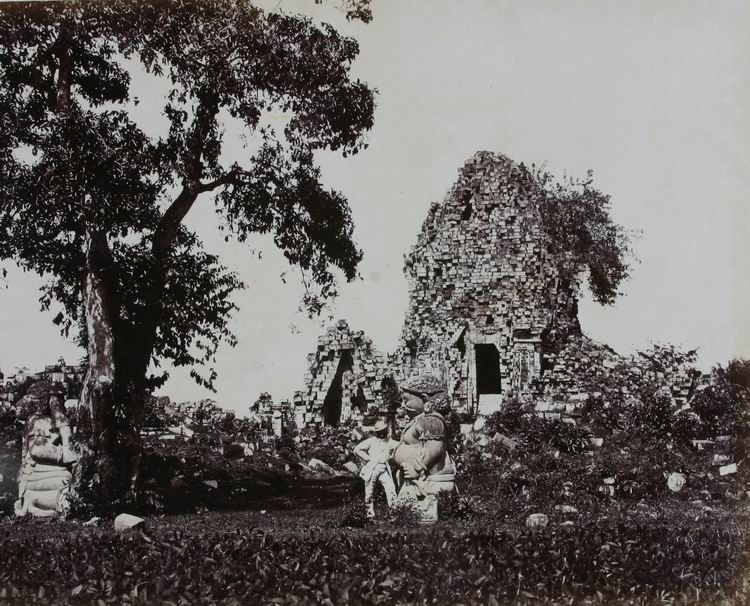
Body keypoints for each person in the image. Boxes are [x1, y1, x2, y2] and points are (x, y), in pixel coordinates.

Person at [392, 374, 456, 522]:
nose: (403, 404)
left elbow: (434, 448)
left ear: (425, 399)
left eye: (406, 400)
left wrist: (418, 468)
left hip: (428, 478)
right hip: (415, 479)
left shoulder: (431, 421)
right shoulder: (420, 420)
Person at [353, 421, 398, 519]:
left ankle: (393, 513)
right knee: (369, 490)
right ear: (377, 432)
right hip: (372, 468)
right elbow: (357, 449)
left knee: (391, 488)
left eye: (385, 430)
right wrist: (368, 459)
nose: (384, 432)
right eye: (381, 431)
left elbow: (399, 446)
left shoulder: (389, 441)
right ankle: (369, 514)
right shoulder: (371, 441)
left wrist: (391, 456)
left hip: (383, 468)